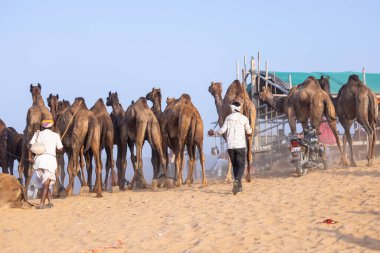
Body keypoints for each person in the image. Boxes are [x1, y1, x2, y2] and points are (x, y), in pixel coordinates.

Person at [208, 101, 252, 195]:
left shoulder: (228, 118)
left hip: (230, 146)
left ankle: (238, 186)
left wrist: (214, 132)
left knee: (235, 165)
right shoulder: (244, 119)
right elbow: (249, 131)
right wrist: (249, 133)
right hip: (240, 146)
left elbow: (222, 130)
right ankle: (237, 181)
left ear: (232, 108)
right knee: (241, 165)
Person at [29, 119, 64, 209]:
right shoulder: (55, 135)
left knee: (45, 182)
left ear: (43, 126)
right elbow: (60, 149)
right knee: (46, 183)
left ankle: (50, 202)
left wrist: (30, 157)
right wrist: (56, 150)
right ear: (51, 126)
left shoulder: (37, 134)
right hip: (50, 161)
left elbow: (30, 146)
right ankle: (41, 203)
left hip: (39, 161)